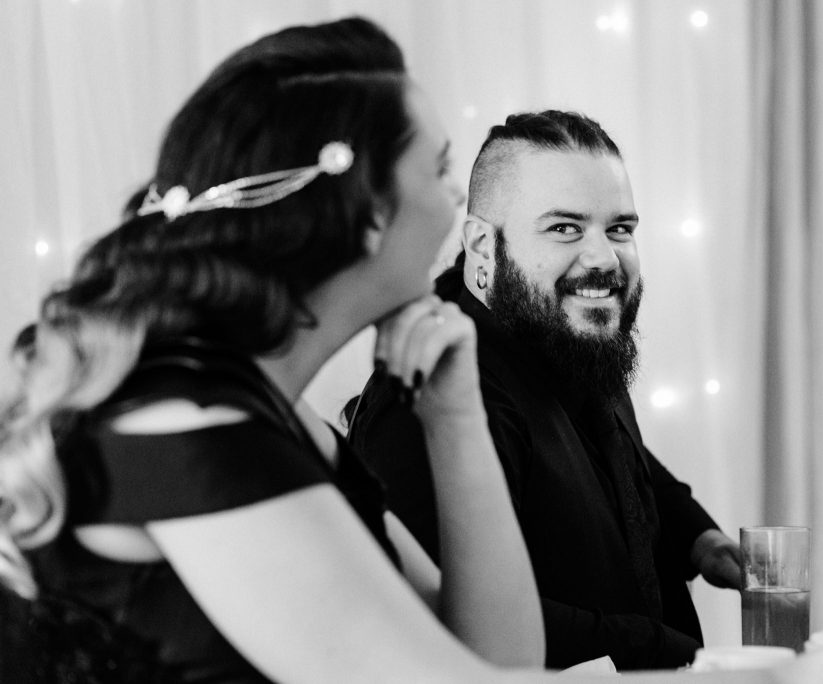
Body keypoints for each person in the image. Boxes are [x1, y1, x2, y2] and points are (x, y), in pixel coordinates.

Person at [0, 17, 546, 682]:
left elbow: (506, 661)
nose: (456, 197)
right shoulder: (192, 432)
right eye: (437, 169)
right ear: (369, 213)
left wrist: (456, 421)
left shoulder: (284, 425)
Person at [349, 110, 743, 671]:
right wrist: (669, 651)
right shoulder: (437, 396)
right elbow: (448, 624)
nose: (604, 258)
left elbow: (618, 455)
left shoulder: (562, 336)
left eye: (620, 229)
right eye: (564, 228)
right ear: (483, 248)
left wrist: (697, 534)